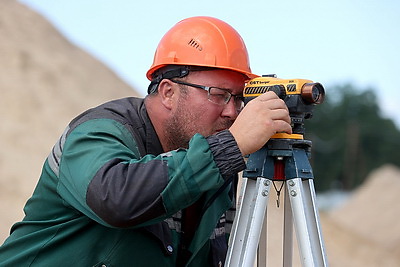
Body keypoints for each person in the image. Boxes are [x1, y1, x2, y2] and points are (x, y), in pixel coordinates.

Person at [0, 16, 291, 266]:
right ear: (168, 92)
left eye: (239, 98)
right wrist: (232, 147)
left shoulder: (213, 160)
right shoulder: (99, 131)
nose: (232, 111)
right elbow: (117, 200)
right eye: (218, 94)